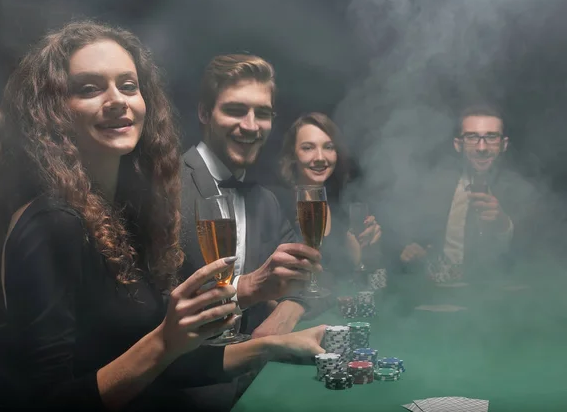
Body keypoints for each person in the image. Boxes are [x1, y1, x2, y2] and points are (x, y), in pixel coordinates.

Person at [0, 21, 326, 411]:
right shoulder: (52, 221)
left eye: (128, 86)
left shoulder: (121, 213)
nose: (117, 100)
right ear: (52, 110)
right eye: (89, 88)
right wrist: (165, 341)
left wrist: (277, 346)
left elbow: (165, 364)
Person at [180, 54, 322, 340]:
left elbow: (310, 279)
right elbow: (148, 313)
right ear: (205, 113)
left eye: (262, 114)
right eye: (235, 110)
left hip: (249, 372)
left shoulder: (265, 202)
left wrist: (281, 319)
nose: (251, 126)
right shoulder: (164, 187)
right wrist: (249, 287)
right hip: (184, 380)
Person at [395, 105, 533, 282]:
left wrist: (503, 224)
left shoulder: (522, 191)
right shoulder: (435, 186)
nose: (481, 147)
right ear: (458, 145)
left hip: (500, 294)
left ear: (503, 144)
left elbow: (538, 255)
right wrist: (414, 251)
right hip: (440, 293)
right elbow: (413, 242)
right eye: (472, 137)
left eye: (491, 137)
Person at [275, 112, 383, 288]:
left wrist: (369, 252)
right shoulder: (277, 204)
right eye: (308, 148)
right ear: (293, 155)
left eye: (328, 147)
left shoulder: (342, 208)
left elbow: (364, 282)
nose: (320, 157)